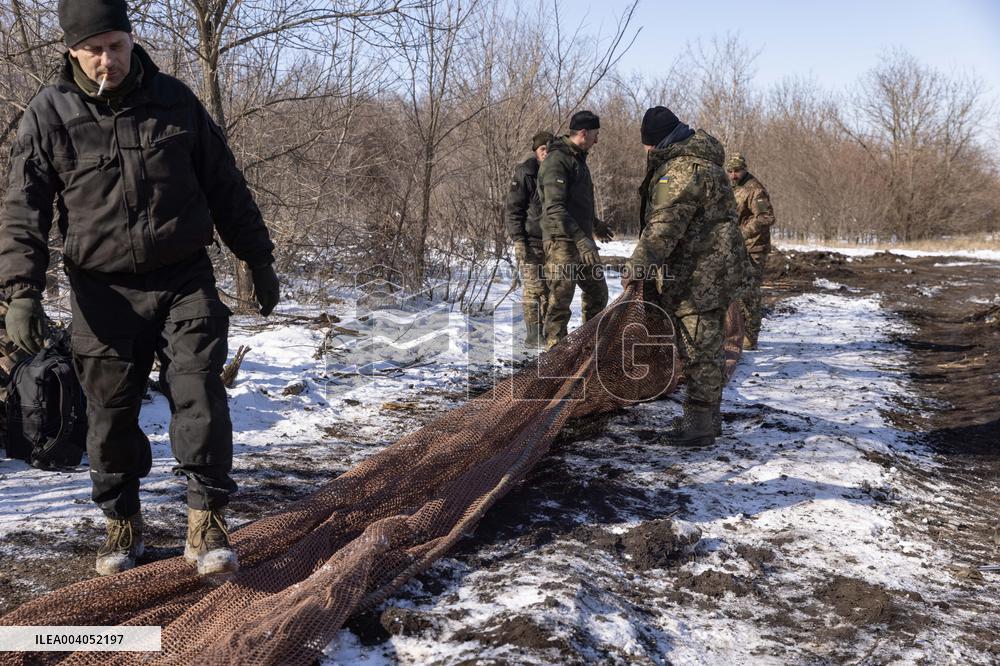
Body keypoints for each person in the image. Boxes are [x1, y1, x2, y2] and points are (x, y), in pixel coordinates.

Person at [0, 0, 279, 576]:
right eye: (94, 50)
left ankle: (206, 520)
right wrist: (21, 290)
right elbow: (23, 208)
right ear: (73, 51)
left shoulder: (174, 99)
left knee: (199, 390)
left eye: (117, 46)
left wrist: (257, 257)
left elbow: (225, 183)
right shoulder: (49, 113)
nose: (108, 60)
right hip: (102, 291)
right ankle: (122, 523)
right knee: (109, 412)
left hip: (183, 278)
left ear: (132, 41)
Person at [623, 107, 750, 447]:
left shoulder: (680, 171)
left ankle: (699, 427)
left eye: (647, 145)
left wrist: (637, 267)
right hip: (715, 270)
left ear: (656, 142)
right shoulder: (707, 163)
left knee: (698, 351)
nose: (646, 151)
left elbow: (663, 228)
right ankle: (709, 419)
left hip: (698, 276)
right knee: (708, 346)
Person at [537, 110, 608, 349]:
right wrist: (581, 239)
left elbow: (574, 205)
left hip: (581, 241)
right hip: (561, 242)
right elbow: (554, 208)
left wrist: (595, 224)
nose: (597, 140)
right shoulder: (557, 161)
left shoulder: (578, 160)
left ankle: (588, 349)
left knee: (598, 294)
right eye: (596, 134)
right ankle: (555, 357)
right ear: (583, 133)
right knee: (560, 302)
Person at [505, 131, 553, 347]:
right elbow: (513, 210)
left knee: (552, 288)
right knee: (534, 288)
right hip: (530, 240)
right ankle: (533, 334)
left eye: (550, 149)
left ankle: (548, 331)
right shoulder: (525, 173)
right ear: (536, 151)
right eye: (543, 149)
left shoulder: (558, 171)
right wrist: (518, 240)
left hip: (553, 242)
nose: (546, 152)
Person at [725, 152, 775, 350]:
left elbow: (766, 217)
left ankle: (751, 337)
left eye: (737, 171)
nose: (733, 175)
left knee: (750, 292)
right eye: (730, 171)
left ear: (744, 169)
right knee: (734, 291)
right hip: (736, 247)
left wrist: (742, 233)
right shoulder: (731, 187)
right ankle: (736, 332)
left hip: (754, 248)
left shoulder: (755, 189)